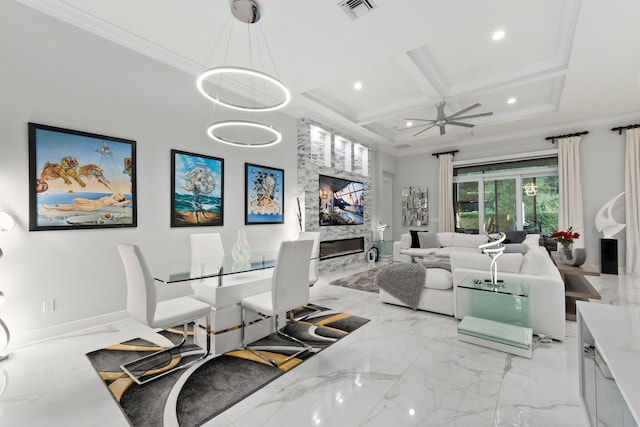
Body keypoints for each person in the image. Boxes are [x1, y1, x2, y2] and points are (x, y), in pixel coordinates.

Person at [43, 193, 131, 212]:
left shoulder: (114, 202)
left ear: (120, 199)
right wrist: (122, 197)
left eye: (121, 197)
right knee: (76, 199)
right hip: (91, 201)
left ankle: (51, 207)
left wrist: (125, 201)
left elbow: (121, 203)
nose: (119, 195)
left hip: (93, 206)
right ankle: (57, 206)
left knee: (75, 206)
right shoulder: (111, 197)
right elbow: (118, 192)